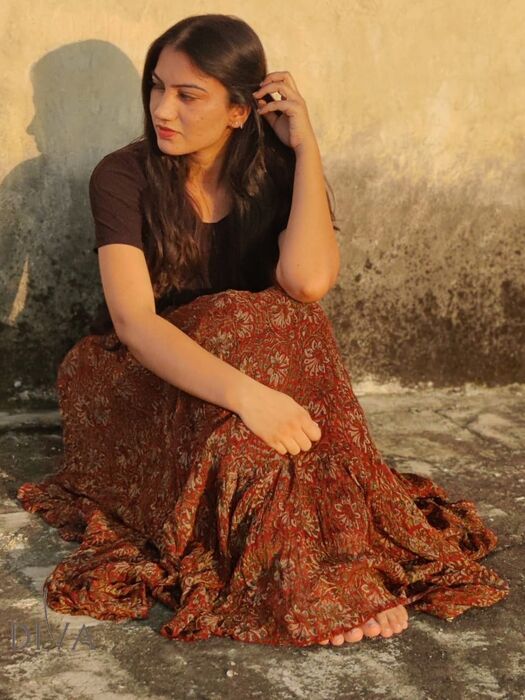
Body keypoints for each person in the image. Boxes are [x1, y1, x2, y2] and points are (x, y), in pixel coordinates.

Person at [16, 14, 510, 648]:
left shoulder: (275, 172)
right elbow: (135, 323)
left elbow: (307, 282)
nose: (162, 109)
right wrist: (253, 398)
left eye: (188, 95)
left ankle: (319, 565)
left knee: (287, 328)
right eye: (157, 87)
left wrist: (306, 150)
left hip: (242, 377)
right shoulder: (122, 175)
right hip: (138, 379)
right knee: (239, 322)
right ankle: (304, 576)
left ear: (239, 110)